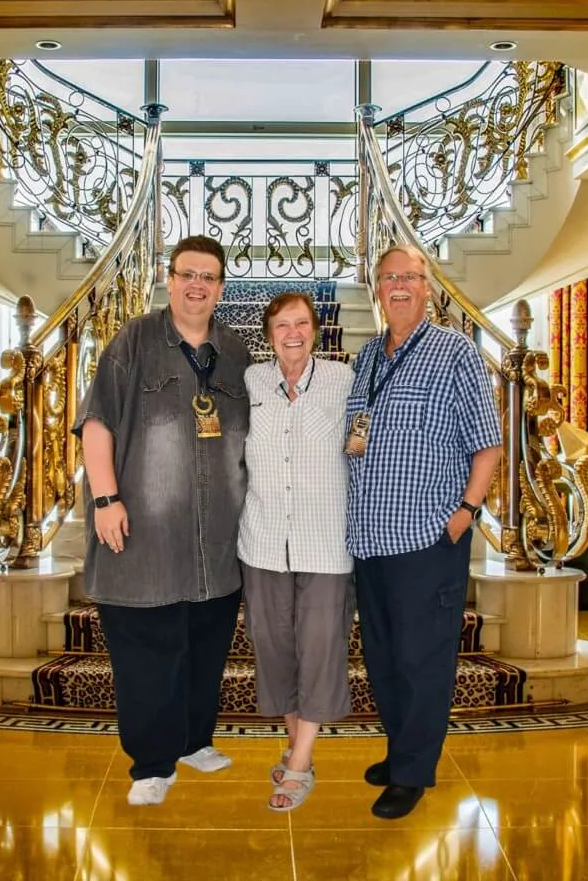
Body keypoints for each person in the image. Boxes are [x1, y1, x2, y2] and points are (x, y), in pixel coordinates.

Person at [72, 235, 252, 806]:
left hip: (216, 542)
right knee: (148, 652)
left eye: (209, 277)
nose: (198, 285)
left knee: (204, 647)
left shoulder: (237, 351)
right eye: (188, 274)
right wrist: (105, 500)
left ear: (221, 288)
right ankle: (152, 763)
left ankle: (195, 741)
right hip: (144, 537)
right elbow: (97, 422)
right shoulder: (134, 340)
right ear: (169, 279)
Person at [345, 244, 503, 819]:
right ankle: (399, 750)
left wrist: (465, 512)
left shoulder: (454, 353)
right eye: (389, 278)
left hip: (426, 539)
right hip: (369, 540)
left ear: (428, 286)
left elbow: (488, 446)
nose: (399, 287)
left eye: (410, 277)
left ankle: (414, 772)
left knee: (422, 659)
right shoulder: (366, 358)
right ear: (378, 289)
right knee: (384, 659)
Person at [238, 291, 354, 811]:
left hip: (325, 542)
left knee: (321, 648)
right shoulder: (251, 381)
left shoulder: (342, 381)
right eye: (282, 325)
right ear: (268, 333)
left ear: (316, 329)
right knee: (276, 649)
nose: (292, 333)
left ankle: (300, 765)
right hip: (261, 540)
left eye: (302, 323)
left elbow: (366, 443)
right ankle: (296, 746)